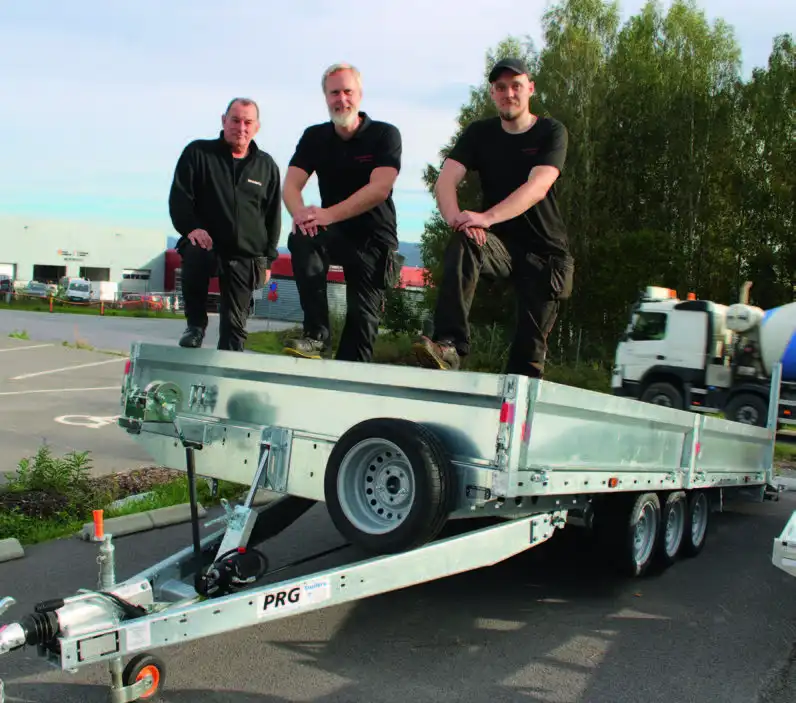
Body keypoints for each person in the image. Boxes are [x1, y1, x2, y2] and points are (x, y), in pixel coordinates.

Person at [411, 57, 574, 379]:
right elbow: (445, 181)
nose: (508, 93)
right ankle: (450, 345)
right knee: (465, 239)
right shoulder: (479, 134)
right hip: (501, 247)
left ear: (530, 88)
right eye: (501, 87)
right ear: (492, 93)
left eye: (516, 86)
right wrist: (457, 219)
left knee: (526, 361)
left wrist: (487, 217)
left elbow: (538, 186)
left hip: (545, 257)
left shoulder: (551, 131)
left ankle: (519, 403)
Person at [281, 62, 402, 362]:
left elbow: (380, 188)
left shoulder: (385, 134)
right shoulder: (315, 137)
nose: (341, 99)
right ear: (326, 97)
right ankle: (317, 336)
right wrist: (300, 214)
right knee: (302, 235)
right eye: (334, 93)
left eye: (348, 91)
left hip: (374, 240)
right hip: (334, 234)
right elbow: (291, 186)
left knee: (360, 333)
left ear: (359, 94)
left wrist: (327, 214)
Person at [168, 97, 282, 351]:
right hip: (207, 246)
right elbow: (179, 199)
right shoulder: (198, 153)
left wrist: (268, 261)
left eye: (247, 122)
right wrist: (192, 228)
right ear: (223, 121)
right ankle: (195, 326)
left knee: (234, 332)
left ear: (256, 127)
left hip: (245, 255)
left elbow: (272, 217)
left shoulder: (266, 166)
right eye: (235, 120)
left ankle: (228, 362)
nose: (241, 127)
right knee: (195, 250)